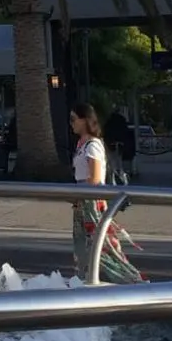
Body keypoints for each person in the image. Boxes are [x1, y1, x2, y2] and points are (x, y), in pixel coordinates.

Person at [70, 101, 143, 284]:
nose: (71, 123)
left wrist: (80, 193)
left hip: (91, 202)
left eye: (73, 119)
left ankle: (130, 280)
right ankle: (88, 278)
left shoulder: (92, 145)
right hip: (82, 200)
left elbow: (94, 179)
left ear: (84, 120)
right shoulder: (81, 144)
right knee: (85, 245)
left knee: (101, 245)